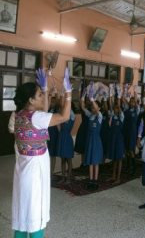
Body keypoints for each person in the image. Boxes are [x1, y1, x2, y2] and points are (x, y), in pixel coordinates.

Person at [12, 68, 71, 238]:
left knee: (23, 214)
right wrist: (67, 92)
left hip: (24, 168)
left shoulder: (20, 114)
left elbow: (42, 115)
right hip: (35, 171)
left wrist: (45, 90)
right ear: (31, 100)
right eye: (39, 95)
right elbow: (64, 116)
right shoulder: (36, 118)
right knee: (35, 213)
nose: (42, 98)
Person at [81, 82, 103, 190]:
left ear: (98, 108)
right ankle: (90, 180)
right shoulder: (90, 115)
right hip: (90, 139)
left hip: (96, 140)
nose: (94, 109)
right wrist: (83, 94)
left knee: (96, 161)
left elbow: (96, 108)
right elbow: (83, 107)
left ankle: (95, 180)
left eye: (96, 107)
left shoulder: (99, 116)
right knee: (90, 160)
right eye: (93, 108)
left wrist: (93, 99)